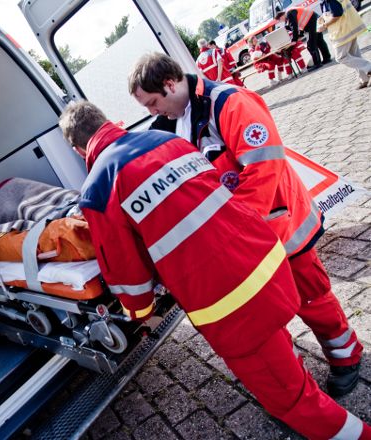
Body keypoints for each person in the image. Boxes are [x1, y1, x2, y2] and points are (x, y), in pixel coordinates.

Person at [58, 99, 370, 439]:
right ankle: (306, 368)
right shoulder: (168, 141)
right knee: (275, 331)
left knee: (287, 396)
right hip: (266, 259)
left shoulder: (98, 191)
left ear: (78, 149)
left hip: (229, 300)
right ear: (108, 120)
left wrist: (141, 311)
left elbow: (126, 272)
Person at [128, 52, 364, 397]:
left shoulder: (229, 104)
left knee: (311, 296)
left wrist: (235, 232)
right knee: (271, 308)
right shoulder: (177, 120)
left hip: (280, 226)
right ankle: (297, 377)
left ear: (170, 83)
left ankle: (347, 356)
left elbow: (264, 166)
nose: (152, 112)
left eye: (152, 102)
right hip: (249, 237)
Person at [318, 0, 371, 89]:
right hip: (349, 28)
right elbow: (335, 10)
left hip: (343, 31)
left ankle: (369, 68)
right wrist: (323, 17)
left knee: (341, 57)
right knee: (354, 55)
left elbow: (337, 14)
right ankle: (364, 79)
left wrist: (324, 25)